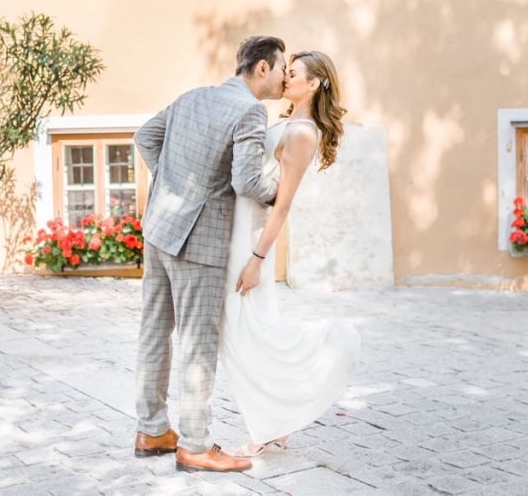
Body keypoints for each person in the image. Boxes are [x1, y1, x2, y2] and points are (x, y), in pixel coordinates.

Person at [132, 35, 286, 473]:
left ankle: (152, 429)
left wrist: (171, 183)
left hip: (159, 229)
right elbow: (248, 184)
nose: (283, 75)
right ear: (261, 68)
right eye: (280, 67)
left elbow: (145, 137)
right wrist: (286, 192)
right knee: (199, 342)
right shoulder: (250, 110)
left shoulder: (192, 96)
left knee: (153, 330)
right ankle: (196, 444)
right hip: (199, 241)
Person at [220, 50, 361, 457]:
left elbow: (282, 205)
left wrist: (256, 261)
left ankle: (269, 424)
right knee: (243, 331)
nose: (285, 78)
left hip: (251, 241)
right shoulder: (288, 124)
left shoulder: (301, 133)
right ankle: (272, 423)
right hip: (240, 233)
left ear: (313, 84)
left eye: (293, 73)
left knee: (253, 331)